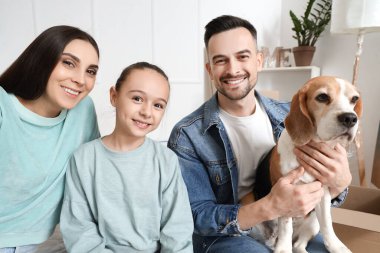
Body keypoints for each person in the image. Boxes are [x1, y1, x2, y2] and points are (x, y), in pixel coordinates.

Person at [167, 15, 352, 253]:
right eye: (220, 60)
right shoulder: (187, 135)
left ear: (258, 61)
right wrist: (270, 206)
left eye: (242, 57)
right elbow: (196, 216)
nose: (232, 69)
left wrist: (340, 185)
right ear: (209, 69)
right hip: (226, 235)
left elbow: (325, 188)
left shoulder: (294, 115)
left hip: (294, 228)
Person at [60, 62, 194, 252]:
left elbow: (177, 231)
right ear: (114, 96)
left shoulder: (166, 160)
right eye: (137, 98)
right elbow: (80, 230)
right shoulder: (84, 159)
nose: (147, 112)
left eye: (158, 105)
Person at [0, 26, 100, 252]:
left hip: (42, 243)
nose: (80, 79)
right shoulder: (3, 107)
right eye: (69, 63)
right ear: (42, 60)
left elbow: (96, 171)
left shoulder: (82, 109)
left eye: (91, 71)